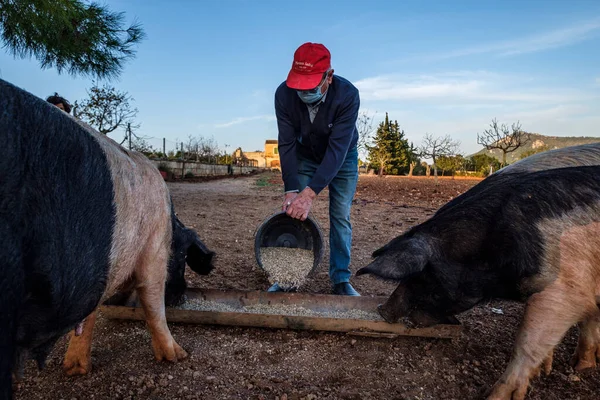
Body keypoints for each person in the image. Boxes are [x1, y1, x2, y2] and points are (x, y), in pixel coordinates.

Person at [271, 42, 361, 296]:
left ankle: (341, 279)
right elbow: (286, 143)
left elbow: (337, 151)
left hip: (342, 158)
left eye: (309, 85)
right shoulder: (283, 94)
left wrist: (309, 195)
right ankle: (287, 277)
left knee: (340, 215)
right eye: (298, 83)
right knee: (293, 212)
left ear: (328, 77)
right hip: (305, 154)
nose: (302, 91)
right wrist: (292, 190)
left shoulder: (347, 95)